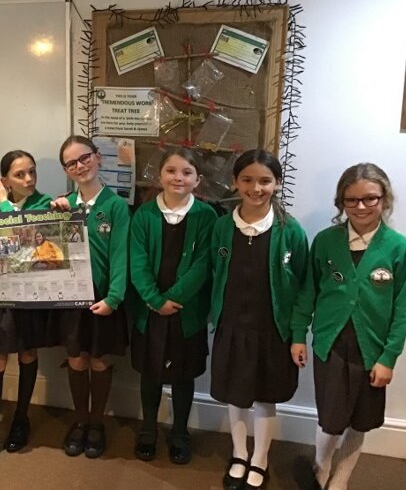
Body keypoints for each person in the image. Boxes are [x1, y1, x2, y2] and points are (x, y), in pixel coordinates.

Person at [290, 163, 406, 490]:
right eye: (351, 200)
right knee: (330, 419)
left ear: (384, 199)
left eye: (370, 198)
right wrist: (298, 334)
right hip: (330, 344)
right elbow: (308, 291)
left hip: (372, 349)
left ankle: (341, 478)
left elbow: (402, 308)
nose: (361, 207)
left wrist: (388, 357)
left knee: (361, 418)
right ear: (341, 203)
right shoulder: (326, 242)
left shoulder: (398, 248)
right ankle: (321, 466)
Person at [209, 149, 308, 490]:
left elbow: (302, 286)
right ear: (235, 182)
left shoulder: (290, 231)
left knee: (266, 397)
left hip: (272, 331)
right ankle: (239, 454)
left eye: (265, 180)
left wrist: (297, 334)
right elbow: (214, 271)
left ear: (277, 183)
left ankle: (260, 458)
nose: (256, 188)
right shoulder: (222, 227)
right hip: (233, 327)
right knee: (236, 395)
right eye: (247, 180)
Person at [129, 147, 217, 464]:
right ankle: (148, 429)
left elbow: (203, 264)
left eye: (186, 172)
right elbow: (137, 261)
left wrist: (174, 299)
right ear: (160, 175)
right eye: (171, 170)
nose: (178, 177)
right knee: (150, 373)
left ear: (197, 180)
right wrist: (155, 300)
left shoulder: (207, 216)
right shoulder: (144, 215)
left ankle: (180, 432)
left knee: (183, 375)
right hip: (150, 310)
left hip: (186, 312)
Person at [0, 150, 54, 474]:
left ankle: (21, 418)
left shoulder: (44, 204)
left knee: (29, 354)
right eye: (20, 174)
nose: (29, 179)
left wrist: (6, 206)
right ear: (4, 180)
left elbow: (28, 246)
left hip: (32, 293)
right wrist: (3, 207)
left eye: (32, 171)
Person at [50, 136, 130, 459]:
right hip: (71, 297)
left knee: (99, 360)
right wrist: (55, 215)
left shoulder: (116, 206)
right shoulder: (62, 206)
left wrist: (114, 297)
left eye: (84, 158)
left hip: (104, 298)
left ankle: (97, 423)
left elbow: (120, 255)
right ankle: (80, 420)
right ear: (66, 170)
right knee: (76, 359)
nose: (80, 166)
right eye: (71, 163)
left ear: (98, 158)